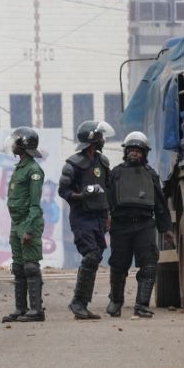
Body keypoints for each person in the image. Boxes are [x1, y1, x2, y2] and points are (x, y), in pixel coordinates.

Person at [106, 132, 173, 318]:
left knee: (149, 264)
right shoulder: (116, 173)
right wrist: (106, 218)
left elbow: (160, 204)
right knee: (118, 266)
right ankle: (116, 301)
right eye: (131, 150)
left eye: (138, 150)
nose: (134, 153)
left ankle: (142, 305)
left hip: (144, 226)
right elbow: (107, 199)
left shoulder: (151, 175)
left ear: (144, 153)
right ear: (126, 151)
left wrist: (166, 228)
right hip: (120, 226)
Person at [58, 120, 114, 320]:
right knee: (90, 255)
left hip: (99, 216)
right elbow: (63, 191)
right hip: (82, 217)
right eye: (99, 136)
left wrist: (108, 215)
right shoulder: (72, 164)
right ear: (92, 140)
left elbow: (107, 190)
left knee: (97, 255)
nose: (102, 140)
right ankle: (78, 302)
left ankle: (82, 304)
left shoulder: (103, 162)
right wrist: (82, 195)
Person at [2, 127, 46, 323]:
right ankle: (21, 308)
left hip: (29, 222)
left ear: (24, 145)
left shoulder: (34, 171)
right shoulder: (20, 167)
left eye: (16, 142)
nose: (13, 145)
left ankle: (37, 310)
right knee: (18, 267)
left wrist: (28, 229)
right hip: (16, 222)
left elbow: (35, 205)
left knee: (30, 267)